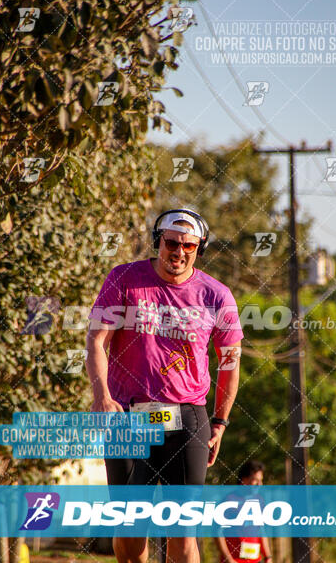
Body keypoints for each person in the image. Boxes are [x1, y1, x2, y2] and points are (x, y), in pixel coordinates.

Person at [86, 208, 244, 563]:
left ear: (199, 248)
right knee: (130, 530)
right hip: (129, 417)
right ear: (159, 241)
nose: (179, 251)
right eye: (172, 242)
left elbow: (230, 363)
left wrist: (220, 422)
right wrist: (102, 398)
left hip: (187, 418)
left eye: (189, 245)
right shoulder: (124, 279)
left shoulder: (216, 295)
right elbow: (97, 341)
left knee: (183, 530)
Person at [214, 461, 273, 563]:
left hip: (255, 560)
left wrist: (268, 557)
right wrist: (229, 559)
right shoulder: (228, 501)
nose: (259, 484)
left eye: (261, 481)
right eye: (255, 480)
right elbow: (217, 532)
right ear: (244, 480)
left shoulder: (259, 501)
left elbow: (261, 530)